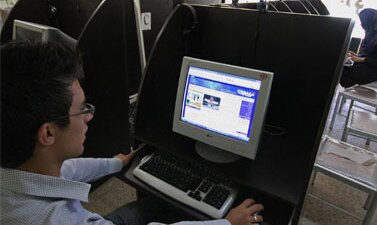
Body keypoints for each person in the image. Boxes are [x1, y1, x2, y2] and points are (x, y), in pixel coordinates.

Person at [1, 40, 264, 225]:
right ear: (47, 134)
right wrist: (227, 224)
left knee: (161, 205)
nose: (90, 116)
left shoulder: (19, 167)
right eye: (82, 109)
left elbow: (67, 169)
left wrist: (116, 163)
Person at [339, 8, 377, 88]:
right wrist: (358, 56)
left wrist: (360, 59)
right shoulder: (376, 33)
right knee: (340, 66)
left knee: (336, 68)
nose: (361, 24)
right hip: (367, 68)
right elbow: (373, 55)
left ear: (369, 22)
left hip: (370, 73)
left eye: (362, 22)